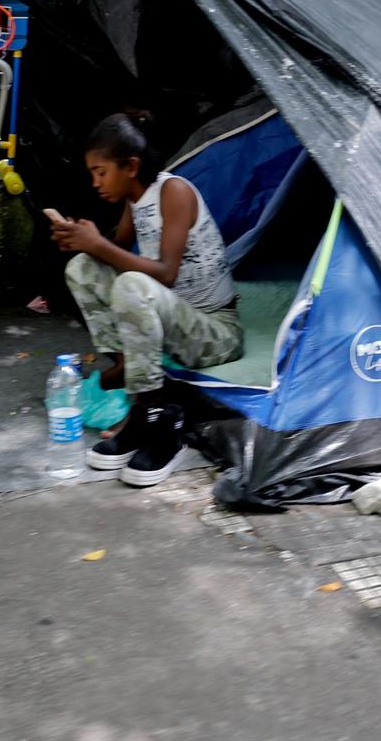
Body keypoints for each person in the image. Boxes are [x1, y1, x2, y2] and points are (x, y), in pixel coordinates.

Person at [52, 112, 241, 486]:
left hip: (215, 331)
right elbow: (114, 251)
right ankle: (129, 372)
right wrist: (80, 239)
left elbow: (166, 272)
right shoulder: (134, 202)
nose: (95, 182)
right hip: (173, 323)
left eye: (101, 171)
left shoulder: (175, 192)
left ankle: (158, 419)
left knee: (133, 284)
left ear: (131, 166)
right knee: (81, 267)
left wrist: (100, 245)